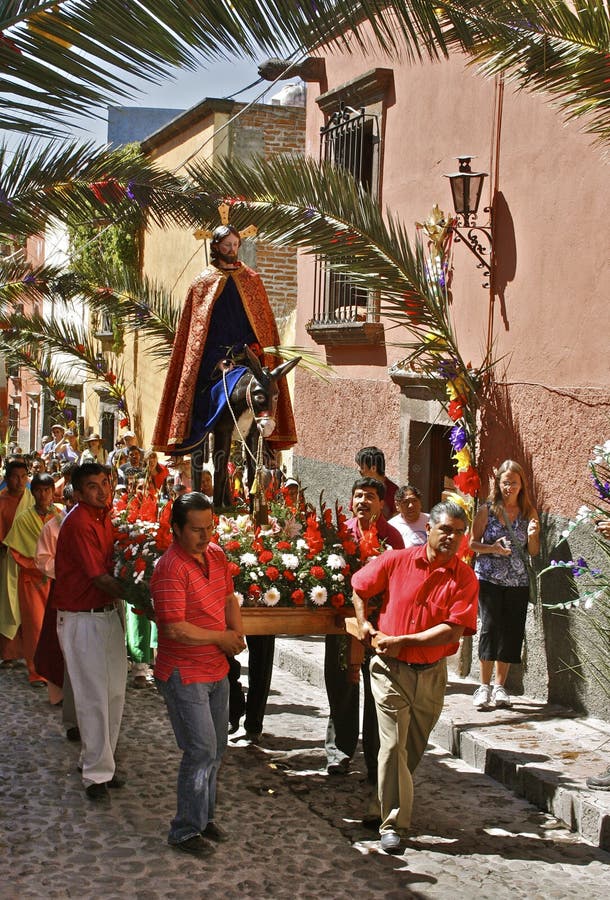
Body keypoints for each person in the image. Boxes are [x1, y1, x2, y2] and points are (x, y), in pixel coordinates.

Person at [352, 500, 478, 853]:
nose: (451, 537)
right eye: (445, 530)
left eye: (458, 532)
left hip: (432, 674)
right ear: (430, 530)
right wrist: (364, 623)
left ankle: (380, 803)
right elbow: (359, 585)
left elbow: (452, 632)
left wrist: (401, 640)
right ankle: (393, 825)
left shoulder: (464, 578)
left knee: (411, 749)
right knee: (392, 746)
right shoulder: (395, 561)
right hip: (391, 671)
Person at [150, 492, 245, 857]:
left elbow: (227, 598)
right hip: (183, 673)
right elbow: (175, 629)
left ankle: (203, 818)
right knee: (201, 748)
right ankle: (184, 829)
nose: (205, 536)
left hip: (215, 669)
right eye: (196, 530)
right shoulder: (169, 568)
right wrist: (221, 637)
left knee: (217, 748)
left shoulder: (217, 556)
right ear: (175, 529)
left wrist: (236, 633)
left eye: (209, 528)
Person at [151, 224, 297, 463]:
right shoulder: (202, 283)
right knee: (199, 395)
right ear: (216, 246)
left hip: (248, 353)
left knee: (265, 388)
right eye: (227, 245)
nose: (232, 249)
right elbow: (196, 333)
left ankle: (267, 446)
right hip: (214, 356)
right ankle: (190, 440)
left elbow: (263, 324)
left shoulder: (252, 280)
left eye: (236, 245)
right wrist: (216, 360)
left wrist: (257, 346)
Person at [53, 463, 128, 802]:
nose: (102, 490)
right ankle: (95, 775)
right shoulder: (81, 522)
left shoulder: (104, 516)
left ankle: (101, 763)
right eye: (93, 486)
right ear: (78, 493)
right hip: (82, 619)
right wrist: (147, 597)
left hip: (106, 613)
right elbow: (98, 576)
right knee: (93, 697)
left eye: (105, 482)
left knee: (114, 694)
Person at [324, 477, 403, 782]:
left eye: (369, 496)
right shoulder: (340, 532)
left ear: (381, 503)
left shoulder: (393, 537)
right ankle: (339, 753)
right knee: (340, 686)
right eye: (358, 495)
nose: (362, 501)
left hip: (377, 627)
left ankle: (374, 760)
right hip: (341, 622)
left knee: (375, 692)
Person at [470, 460, 540, 710]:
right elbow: (471, 544)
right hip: (489, 579)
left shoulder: (529, 512)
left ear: (522, 484)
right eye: (505, 482)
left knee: (511, 632)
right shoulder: (487, 511)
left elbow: (533, 551)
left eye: (514, 482)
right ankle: (484, 686)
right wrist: (493, 549)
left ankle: (500, 687)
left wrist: (532, 536)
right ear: (498, 484)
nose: (510, 486)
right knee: (490, 628)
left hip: (518, 582)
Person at [3, 473, 62, 692]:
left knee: (55, 626)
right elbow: (15, 551)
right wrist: (37, 567)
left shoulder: (60, 516)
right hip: (31, 580)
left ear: (52, 491)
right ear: (33, 491)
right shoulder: (24, 519)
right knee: (35, 626)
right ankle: (35, 670)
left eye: (47, 489)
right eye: (38, 490)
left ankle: (54, 669)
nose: (43, 494)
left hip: (56, 579)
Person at [34, 484, 80, 740]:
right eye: (71, 501)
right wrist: (67, 571)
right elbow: (42, 559)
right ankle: (60, 695)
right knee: (59, 646)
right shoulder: (53, 526)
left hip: (85, 595)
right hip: (62, 590)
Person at [0, 458, 34, 666]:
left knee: (28, 605)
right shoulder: (1, 501)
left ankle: (30, 651)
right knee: (8, 605)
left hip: (29, 563)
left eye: (23, 477)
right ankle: (9, 652)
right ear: (7, 478)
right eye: (15, 477)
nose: (20, 482)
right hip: (6, 560)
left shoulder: (32, 500)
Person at [355, 447, 399, 521]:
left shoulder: (394, 491)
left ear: (373, 468)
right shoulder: (359, 488)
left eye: (361, 466)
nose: (358, 469)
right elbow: (354, 517)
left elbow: (396, 521)